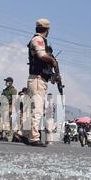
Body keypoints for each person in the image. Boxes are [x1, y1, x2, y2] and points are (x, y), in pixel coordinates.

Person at [24, 18, 58, 147]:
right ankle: (34, 138)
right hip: (37, 79)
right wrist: (52, 61)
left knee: (34, 109)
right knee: (37, 109)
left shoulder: (40, 40)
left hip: (38, 79)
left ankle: (25, 134)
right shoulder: (38, 39)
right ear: (47, 30)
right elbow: (41, 55)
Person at [0, 77, 18, 141]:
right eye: (6, 81)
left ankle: (8, 137)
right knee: (2, 122)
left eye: (7, 81)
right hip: (3, 107)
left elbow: (14, 100)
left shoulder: (13, 90)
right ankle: (2, 135)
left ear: (11, 82)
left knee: (7, 122)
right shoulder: (5, 90)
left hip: (8, 106)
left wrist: (11, 109)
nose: (6, 82)